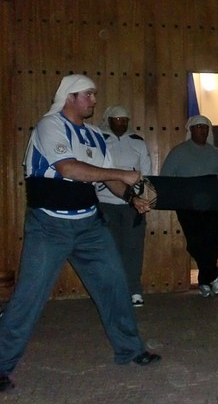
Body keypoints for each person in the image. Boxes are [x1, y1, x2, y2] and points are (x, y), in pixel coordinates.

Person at [0, 75, 160, 393]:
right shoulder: (50, 126)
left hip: (89, 225)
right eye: (88, 94)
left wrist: (133, 199)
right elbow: (69, 169)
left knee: (114, 286)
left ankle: (131, 349)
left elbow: (108, 181)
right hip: (49, 226)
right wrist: (125, 175)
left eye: (94, 95)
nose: (94, 100)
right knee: (28, 297)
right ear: (70, 97)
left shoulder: (95, 136)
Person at [160, 115, 218, 298]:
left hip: (213, 205)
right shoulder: (178, 152)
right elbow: (166, 177)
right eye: (198, 127)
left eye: (205, 128)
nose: (202, 131)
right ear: (191, 130)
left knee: (212, 243)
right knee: (195, 243)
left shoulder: (216, 153)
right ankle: (213, 274)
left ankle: (204, 280)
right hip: (188, 205)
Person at [97, 105, 152, 307]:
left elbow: (146, 174)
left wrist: (144, 198)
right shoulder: (100, 141)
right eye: (117, 119)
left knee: (133, 248)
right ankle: (114, 293)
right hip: (105, 204)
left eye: (124, 120)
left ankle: (134, 290)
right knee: (110, 249)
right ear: (109, 121)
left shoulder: (138, 143)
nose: (121, 123)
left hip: (133, 205)